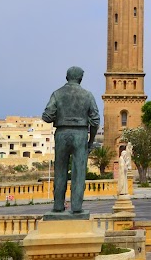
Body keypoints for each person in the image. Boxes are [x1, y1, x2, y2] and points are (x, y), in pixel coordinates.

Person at [42, 66, 99, 214]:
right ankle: (77, 206)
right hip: (80, 134)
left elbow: (47, 116)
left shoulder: (57, 94)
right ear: (80, 78)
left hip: (62, 133)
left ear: (67, 77)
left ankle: (58, 205)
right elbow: (95, 121)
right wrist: (91, 141)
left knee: (60, 171)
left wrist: (59, 115)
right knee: (79, 173)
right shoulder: (88, 95)